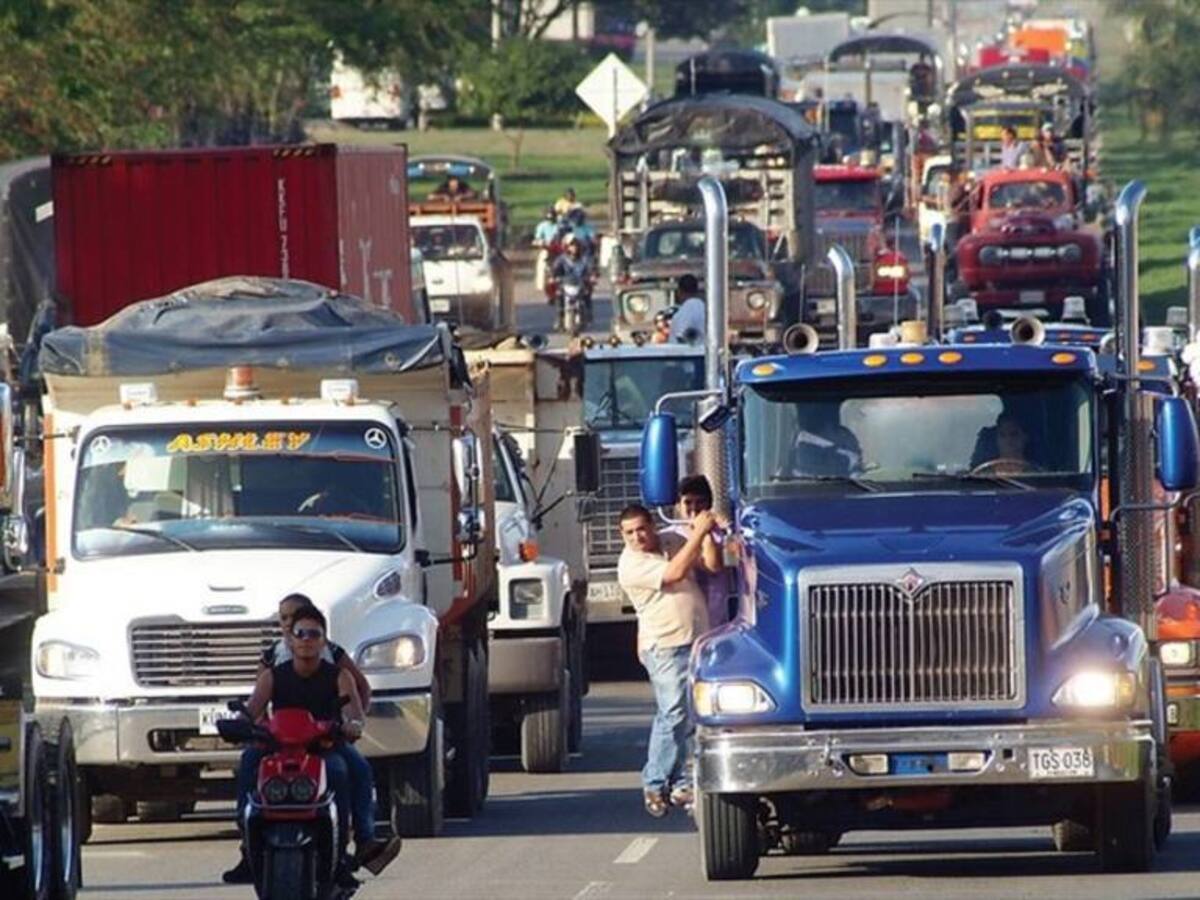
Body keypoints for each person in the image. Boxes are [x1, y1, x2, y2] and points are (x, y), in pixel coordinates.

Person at [224, 606, 398, 884]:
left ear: (323, 640)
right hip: (278, 748)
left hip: (325, 746)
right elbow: (252, 709)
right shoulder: (273, 676)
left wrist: (352, 725)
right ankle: (248, 848)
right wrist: (238, 722)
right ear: (290, 639)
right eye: (300, 633)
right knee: (248, 761)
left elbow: (355, 713)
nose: (306, 639)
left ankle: (354, 847)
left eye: (313, 634)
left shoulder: (340, 676)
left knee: (352, 769)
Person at [617, 503, 717, 817]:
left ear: (653, 526)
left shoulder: (673, 542)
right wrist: (697, 531)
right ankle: (654, 780)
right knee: (673, 711)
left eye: (642, 528)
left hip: (697, 642)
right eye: (629, 532)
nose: (637, 536)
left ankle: (679, 783)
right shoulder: (631, 564)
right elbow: (674, 574)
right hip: (665, 646)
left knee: (690, 715)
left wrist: (706, 533)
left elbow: (711, 566)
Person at [668, 476, 733, 627]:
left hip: (719, 620)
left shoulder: (724, 534)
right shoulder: (670, 537)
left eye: (700, 502)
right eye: (688, 502)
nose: (694, 508)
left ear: (709, 504)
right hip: (686, 624)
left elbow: (717, 566)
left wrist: (723, 529)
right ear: (678, 505)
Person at [970, 411, 1035, 474]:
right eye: (1002, 435)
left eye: (1014, 434)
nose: (1008, 439)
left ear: (1025, 437)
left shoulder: (1037, 474)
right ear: (997, 439)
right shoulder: (982, 474)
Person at [668, 274, 705, 344]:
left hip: (686, 354)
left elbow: (681, 335)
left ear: (679, 291)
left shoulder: (687, 309)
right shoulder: (704, 308)